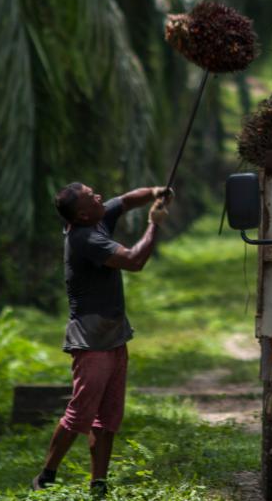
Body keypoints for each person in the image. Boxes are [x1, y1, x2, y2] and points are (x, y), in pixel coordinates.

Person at [31, 183, 171, 496]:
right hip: (91, 339)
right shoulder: (86, 239)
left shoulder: (95, 216)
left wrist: (154, 191)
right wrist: (154, 223)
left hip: (115, 334)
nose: (100, 198)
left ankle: (98, 483)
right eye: (92, 197)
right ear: (81, 214)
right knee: (80, 413)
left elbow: (124, 201)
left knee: (108, 417)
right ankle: (46, 475)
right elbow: (135, 260)